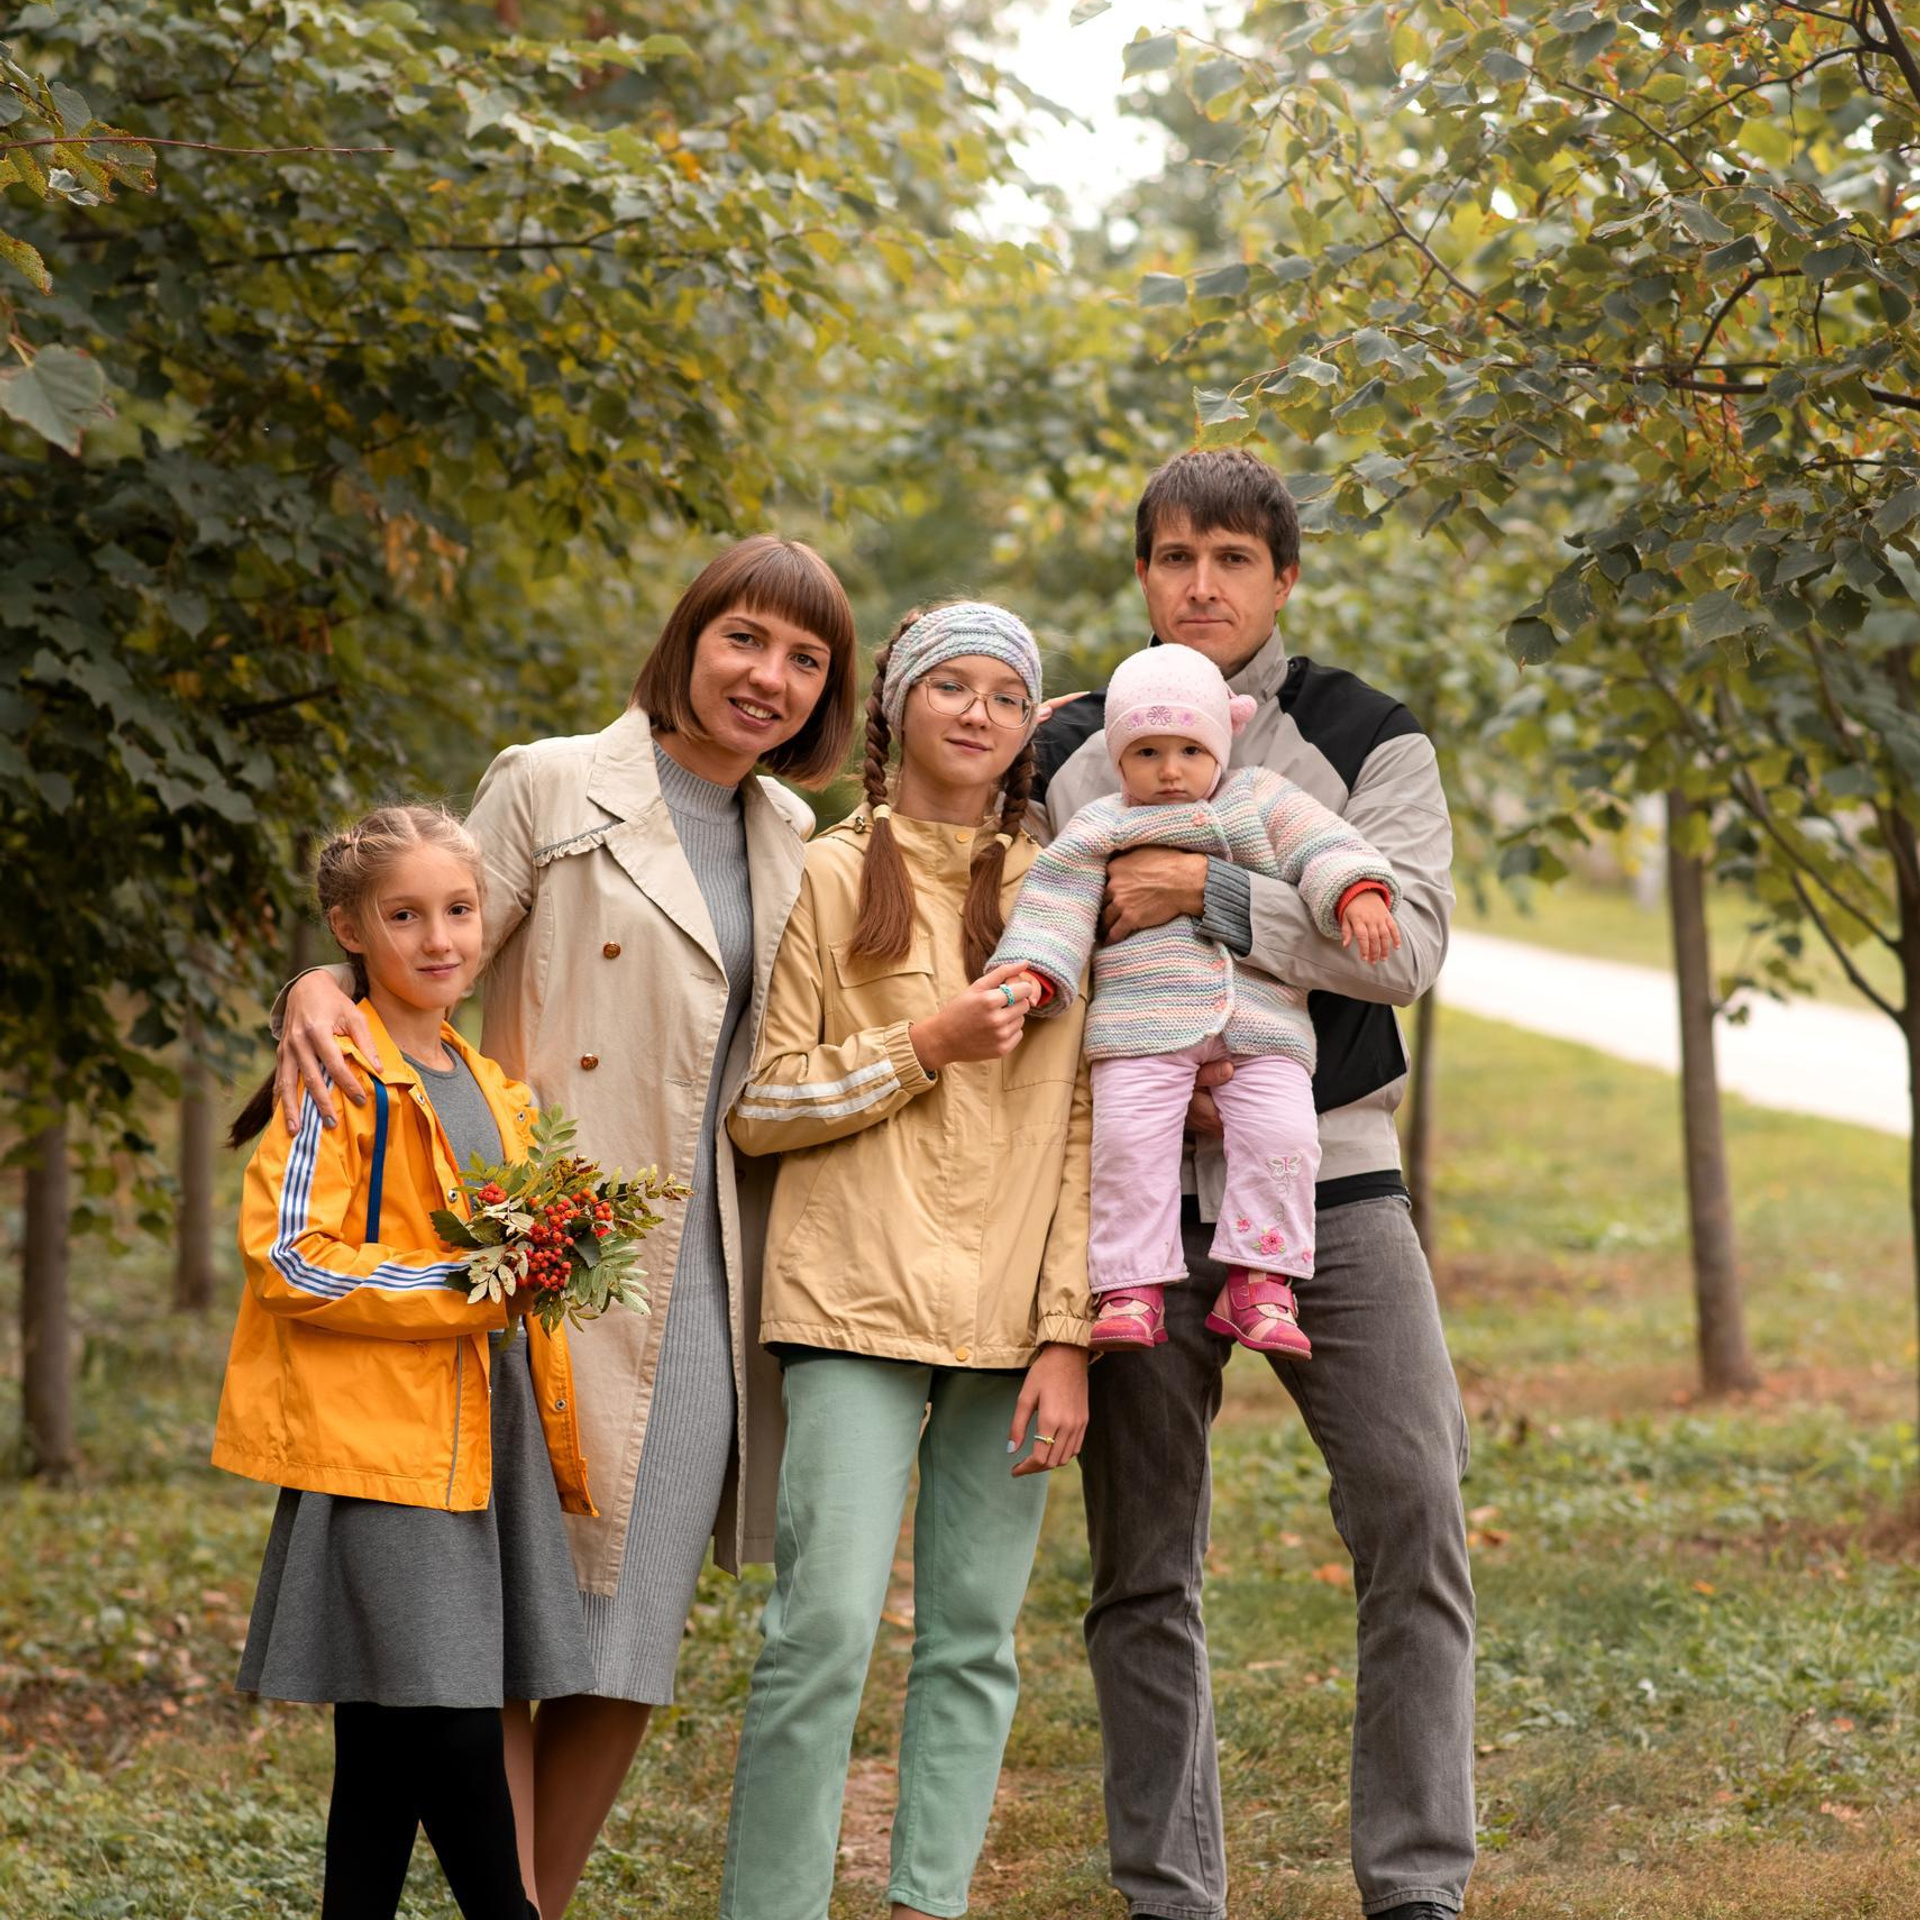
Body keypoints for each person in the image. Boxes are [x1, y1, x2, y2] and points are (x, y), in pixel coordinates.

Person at [269, 536, 860, 1917]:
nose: (766, 677)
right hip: (537, 1256)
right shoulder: (551, 783)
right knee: (512, 1616)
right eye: (743, 639)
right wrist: (319, 983)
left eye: (804, 657)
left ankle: (531, 1899)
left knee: (630, 1632)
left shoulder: (793, 836)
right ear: (689, 637)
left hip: (704, 1265)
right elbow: (424, 932)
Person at [1030, 449, 1473, 1920]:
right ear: (1143, 575)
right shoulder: (1074, 746)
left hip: (1335, 1183)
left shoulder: (1366, 734)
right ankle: (1173, 1893)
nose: (1201, 582)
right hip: (1135, 1210)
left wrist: (1204, 896)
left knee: (1412, 1514)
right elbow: (1022, 921)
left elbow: (1402, 948)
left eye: (1233, 557)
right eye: (1173, 556)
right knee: (1142, 1563)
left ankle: (1416, 1886)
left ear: (1285, 577)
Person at [719, 601, 1094, 1920]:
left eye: (1007, 692)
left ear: (1027, 727)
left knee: (974, 1639)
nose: (979, 711)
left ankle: (925, 1902)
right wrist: (921, 1046)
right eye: (952, 686)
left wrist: (1069, 1334)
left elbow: (1087, 1132)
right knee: (818, 1633)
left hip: (1012, 1327)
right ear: (895, 709)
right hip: (852, 1302)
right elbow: (762, 1105)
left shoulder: (1066, 882)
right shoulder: (830, 872)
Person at [217, 804, 595, 1920]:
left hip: (482, 1447)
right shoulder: (338, 1073)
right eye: (405, 915)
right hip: (381, 1454)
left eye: (460, 911)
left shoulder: (492, 1084)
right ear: (350, 927)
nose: (440, 939)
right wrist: (457, 1290)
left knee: (381, 1764)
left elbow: (523, 1262)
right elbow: (291, 1256)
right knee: (451, 1733)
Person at [990, 640, 1401, 1358]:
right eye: (1146, 753)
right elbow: (1055, 903)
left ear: (1220, 746)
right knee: (1128, 1146)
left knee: (1286, 1139)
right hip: (1141, 1027)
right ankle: (1130, 1284)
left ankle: (1261, 1279)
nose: (1170, 771)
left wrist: (1356, 890)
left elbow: (1322, 844)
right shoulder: (1101, 824)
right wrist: (1035, 972)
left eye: (1189, 749)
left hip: (1262, 1026)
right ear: (1118, 760)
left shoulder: (1260, 798)